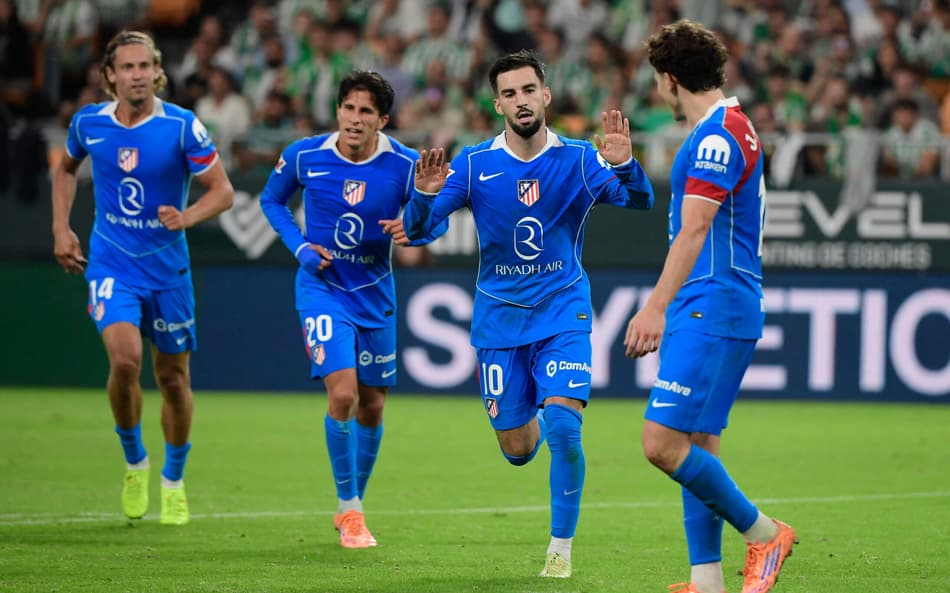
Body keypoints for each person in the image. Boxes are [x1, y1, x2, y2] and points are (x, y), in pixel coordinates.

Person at [385, 50, 654, 577]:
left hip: (563, 310)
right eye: (510, 93)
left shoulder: (579, 159)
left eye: (529, 90)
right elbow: (419, 231)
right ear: (497, 103)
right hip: (499, 321)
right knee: (517, 449)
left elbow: (639, 201)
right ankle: (522, 411)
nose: (521, 100)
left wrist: (624, 163)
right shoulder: (473, 164)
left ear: (545, 95)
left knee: (564, 427)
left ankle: (560, 551)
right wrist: (421, 196)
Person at [623, 20, 797, 593]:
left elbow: (695, 228)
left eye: (657, 81)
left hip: (711, 303)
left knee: (661, 443)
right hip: (717, 304)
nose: (656, 92)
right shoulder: (726, 129)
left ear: (671, 79)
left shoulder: (719, 135)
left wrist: (654, 306)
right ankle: (707, 582)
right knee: (698, 448)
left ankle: (765, 533)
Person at [51, 30, 234, 525]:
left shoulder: (180, 128)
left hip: (168, 269)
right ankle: (135, 461)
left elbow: (223, 191)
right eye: (127, 68)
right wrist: (61, 226)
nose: (137, 76)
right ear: (110, 75)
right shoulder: (89, 123)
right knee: (126, 360)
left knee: (173, 379)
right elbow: (65, 170)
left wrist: (189, 216)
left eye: (145, 67)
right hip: (112, 262)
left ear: (157, 71)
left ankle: (173, 479)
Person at [259, 70, 446, 549]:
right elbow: (271, 199)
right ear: (337, 110)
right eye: (349, 108)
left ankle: (351, 505)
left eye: (366, 112)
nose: (355, 119)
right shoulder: (305, 155)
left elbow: (431, 228)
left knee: (373, 405)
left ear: (383, 119)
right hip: (322, 288)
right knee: (343, 395)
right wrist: (300, 247)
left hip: (375, 292)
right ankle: (351, 510)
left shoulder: (405, 165)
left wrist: (418, 213)